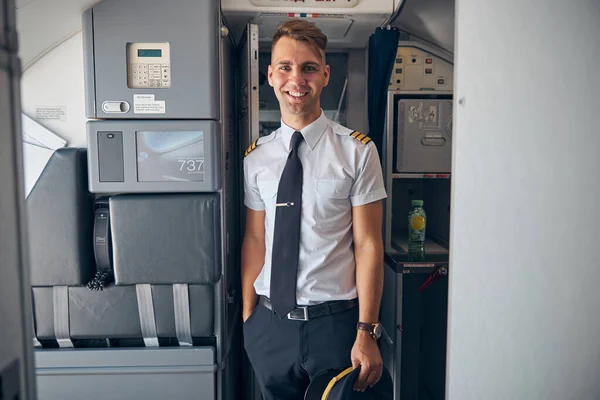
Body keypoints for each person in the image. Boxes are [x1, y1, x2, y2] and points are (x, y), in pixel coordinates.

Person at [241, 19, 387, 399]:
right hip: (270, 326)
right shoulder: (256, 159)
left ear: (324, 75)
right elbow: (256, 239)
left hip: (336, 326)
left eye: (308, 68)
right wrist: (248, 318)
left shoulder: (357, 152)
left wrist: (367, 330)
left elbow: (369, 244)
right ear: (271, 76)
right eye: (286, 68)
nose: (296, 79)